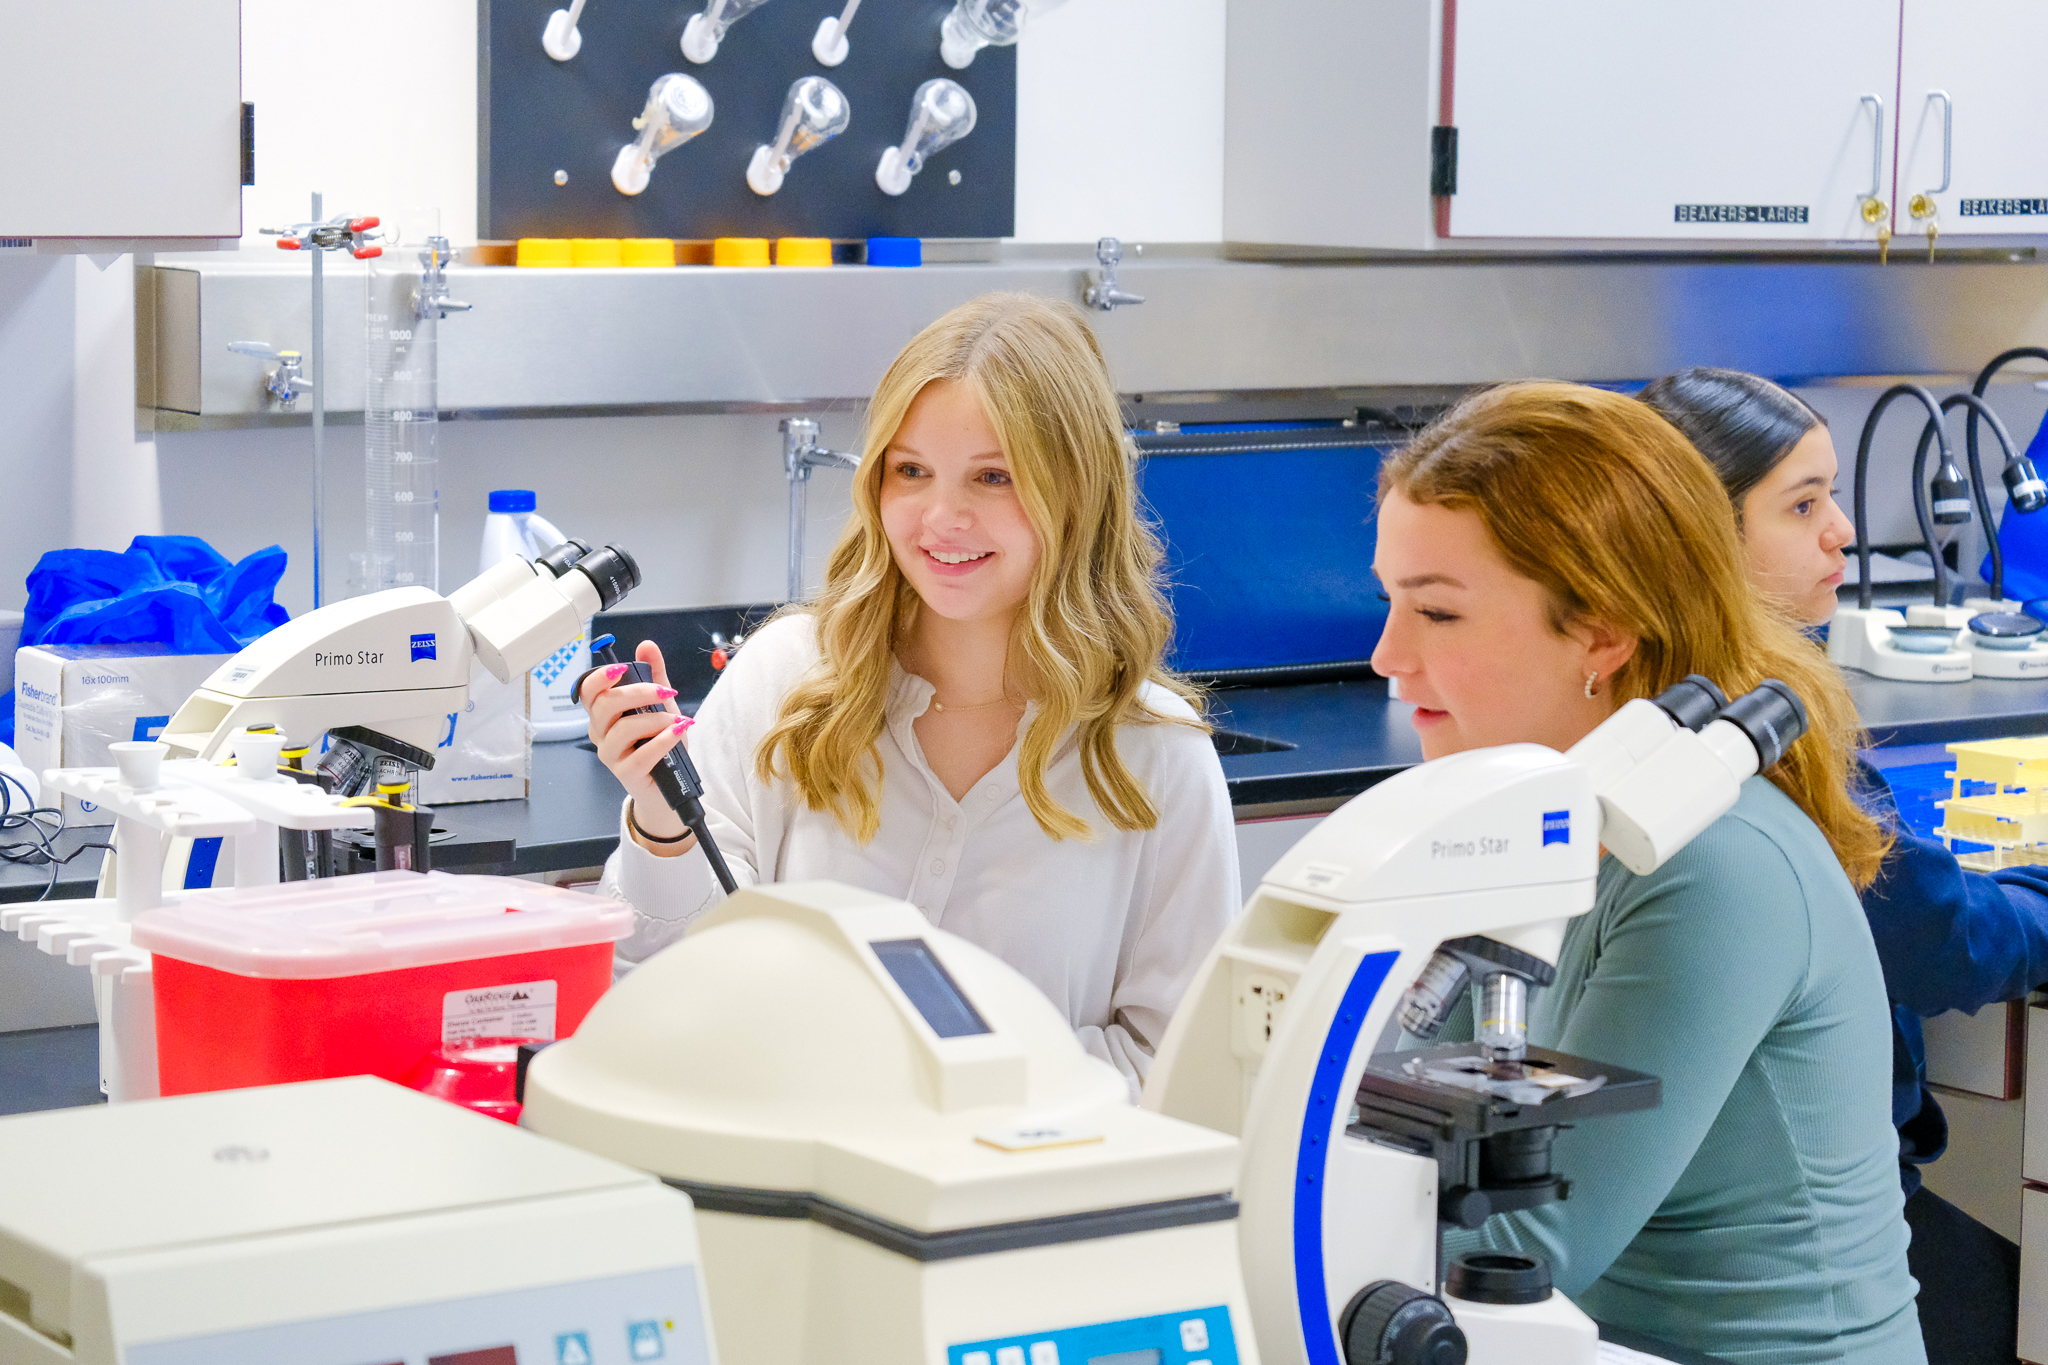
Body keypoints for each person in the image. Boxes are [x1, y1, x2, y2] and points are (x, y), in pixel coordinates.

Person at [1373, 381, 1922, 1364]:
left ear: (1602, 632)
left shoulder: (1714, 864)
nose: (1386, 656)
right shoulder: (1521, 827)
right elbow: (1404, 1123)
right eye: (1389, 602)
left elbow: (1522, 1247)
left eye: (1437, 612)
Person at [579, 292, 1239, 1097]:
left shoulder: (1156, 756)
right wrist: (661, 822)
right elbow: (659, 982)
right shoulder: (789, 680)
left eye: (993, 476)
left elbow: (1179, 1072)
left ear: (1077, 491)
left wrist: (927, 1085)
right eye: (911, 471)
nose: (941, 517)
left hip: (1031, 1173)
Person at [1642, 366, 2048, 1365]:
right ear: (1699, 533)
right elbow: (1938, 938)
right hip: (1790, 1246)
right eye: (1802, 504)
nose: (1843, 532)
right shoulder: (1753, 724)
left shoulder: (1634, 688)